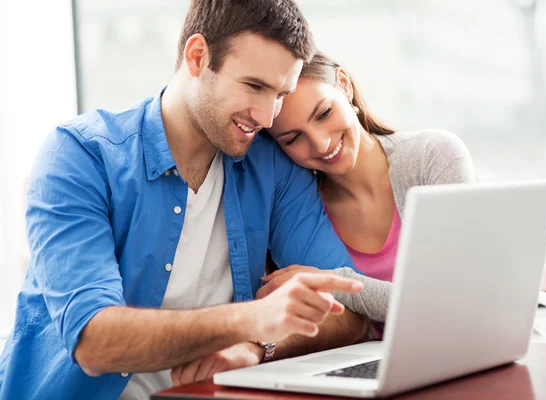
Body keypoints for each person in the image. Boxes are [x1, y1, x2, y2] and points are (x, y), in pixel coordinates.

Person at [0, 4, 372, 399]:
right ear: (198, 57)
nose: (267, 117)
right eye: (254, 86)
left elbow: (348, 308)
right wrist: (253, 320)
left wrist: (256, 347)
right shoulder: (80, 155)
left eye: (280, 94)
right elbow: (94, 342)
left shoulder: (272, 166)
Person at [260, 52, 477, 324]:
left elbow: (455, 302)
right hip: (371, 362)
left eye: (324, 113)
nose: (321, 144)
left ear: (344, 85)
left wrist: (334, 283)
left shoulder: (434, 157)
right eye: (293, 139)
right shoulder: (305, 220)